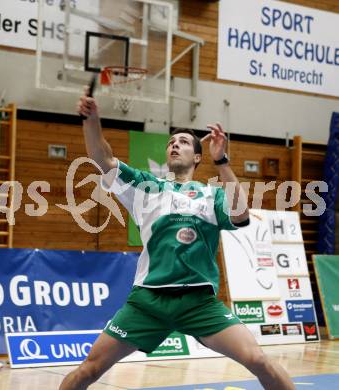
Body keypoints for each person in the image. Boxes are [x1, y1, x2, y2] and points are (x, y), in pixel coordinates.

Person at [59, 90, 295, 390]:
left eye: (183, 142)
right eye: (171, 142)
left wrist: (222, 161)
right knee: (88, 370)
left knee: (259, 360)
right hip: (147, 301)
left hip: (198, 302)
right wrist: (92, 120)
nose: (174, 145)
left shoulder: (212, 194)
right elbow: (102, 158)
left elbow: (240, 215)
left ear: (198, 157)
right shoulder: (145, 187)